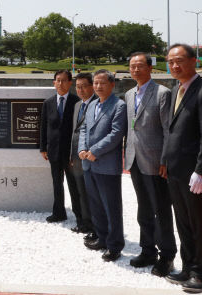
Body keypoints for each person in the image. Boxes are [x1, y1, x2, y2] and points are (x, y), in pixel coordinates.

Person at [162, 44, 202, 293]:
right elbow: (173, 132)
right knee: (183, 222)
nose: (175, 66)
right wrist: (166, 162)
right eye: (170, 61)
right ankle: (188, 266)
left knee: (199, 222)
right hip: (176, 171)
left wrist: (201, 171)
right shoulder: (176, 90)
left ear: (194, 61)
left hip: (195, 173)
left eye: (179, 60)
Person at [124, 52, 177, 276]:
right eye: (132, 66)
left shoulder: (162, 93)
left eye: (140, 66)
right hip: (135, 159)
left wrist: (165, 159)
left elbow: (167, 130)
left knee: (161, 210)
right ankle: (147, 250)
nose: (135, 70)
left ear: (150, 68)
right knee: (143, 209)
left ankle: (167, 256)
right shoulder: (128, 94)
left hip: (155, 161)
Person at [78, 69, 126, 262]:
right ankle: (102, 238)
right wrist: (82, 149)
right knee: (96, 205)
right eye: (96, 83)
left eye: (102, 83)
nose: (98, 87)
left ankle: (114, 246)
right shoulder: (91, 105)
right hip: (88, 164)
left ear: (112, 84)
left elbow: (115, 134)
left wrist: (94, 151)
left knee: (111, 207)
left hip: (106, 165)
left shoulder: (119, 106)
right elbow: (83, 128)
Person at [39, 70, 81, 224]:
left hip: (71, 153)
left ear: (70, 83)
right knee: (57, 183)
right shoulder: (48, 103)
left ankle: (80, 215)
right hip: (54, 151)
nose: (61, 83)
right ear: (54, 83)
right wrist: (43, 147)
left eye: (64, 80)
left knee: (74, 185)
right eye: (58, 80)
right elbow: (44, 127)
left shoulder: (77, 102)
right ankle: (58, 213)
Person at [68, 72, 96, 234]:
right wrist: (71, 155)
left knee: (89, 193)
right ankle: (83, 222)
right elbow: (74, 132)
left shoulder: (97, 104)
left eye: (84, 86)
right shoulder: (78, 105)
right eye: (78, 87)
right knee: (79, 191)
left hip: (90, 156)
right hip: (76, 156)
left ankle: (92, 224)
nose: (81, 90)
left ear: (92, 86)